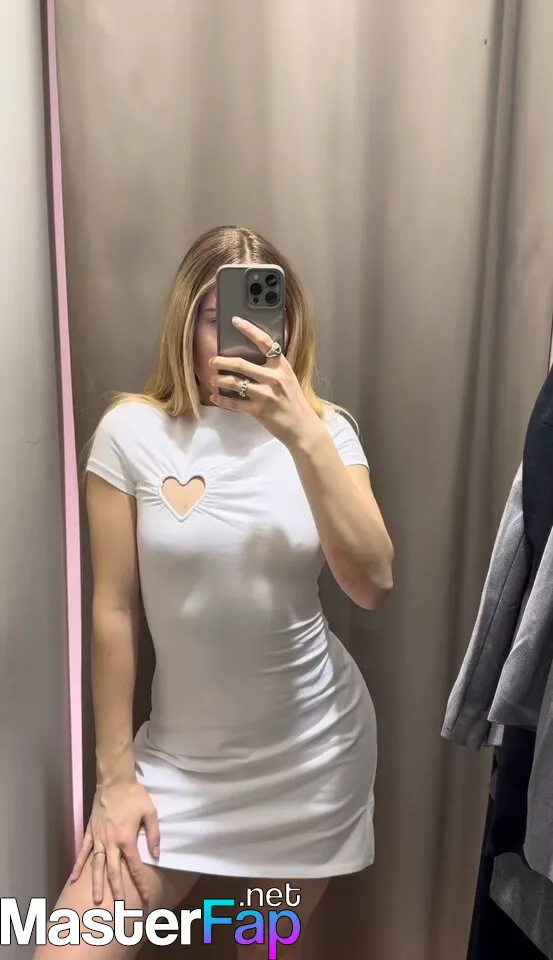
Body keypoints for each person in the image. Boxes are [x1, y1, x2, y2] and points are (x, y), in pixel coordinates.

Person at [36, 225, 394, 959]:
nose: (244, 335)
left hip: (309, 761)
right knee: (67, 949)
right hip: (178, 768)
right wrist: (114, 779)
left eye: (266, 312)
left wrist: (302, 434)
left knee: (260, 951)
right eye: (216, 315)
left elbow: (373, 586)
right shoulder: (131, 433)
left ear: (289, 326)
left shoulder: (327, 435)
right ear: (184, 323)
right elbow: (113, 611)